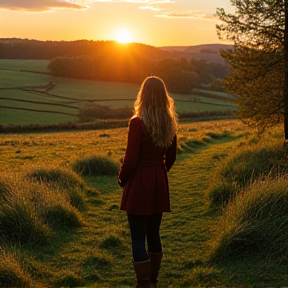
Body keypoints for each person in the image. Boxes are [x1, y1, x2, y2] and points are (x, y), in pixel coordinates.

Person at [118, 76, 178, 288]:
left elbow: (130, 160)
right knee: (154, 233)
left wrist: (122, 179)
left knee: (137, 237)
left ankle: (143, 284)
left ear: (143, 95)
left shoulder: (137, 123)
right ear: (164, 96)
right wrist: (159, 173)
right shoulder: (170, 123)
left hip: (140, 183)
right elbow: (171, 158)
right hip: (158, 181)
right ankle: (153, 280)